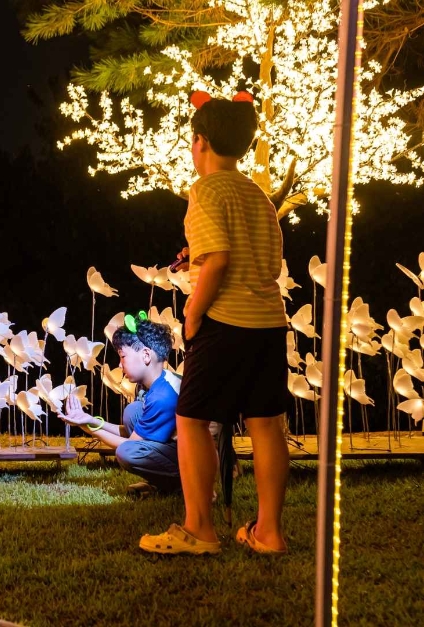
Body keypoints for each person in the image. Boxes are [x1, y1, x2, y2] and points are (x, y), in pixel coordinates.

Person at [139, 92, 289, 556]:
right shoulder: (259, 196)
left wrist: (192, 312)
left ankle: (199, 528)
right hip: (268, 322)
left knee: (190, 419)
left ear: (200, 141)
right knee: (266, 424)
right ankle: (268, 532)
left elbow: (218, 261)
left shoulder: (205, 190)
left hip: (225, 321)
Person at [60, 317, 181, 495]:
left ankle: (181, 486)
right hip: (180, 449)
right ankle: (167, 485)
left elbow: (131, 444)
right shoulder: (160, 382)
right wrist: (90, 420)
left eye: (123, 356)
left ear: (146, 355)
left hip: (197, 461)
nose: (119, 364)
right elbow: (135, 434)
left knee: (127, 453)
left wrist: (87, 427)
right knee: (134, 412)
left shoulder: (163, 396)